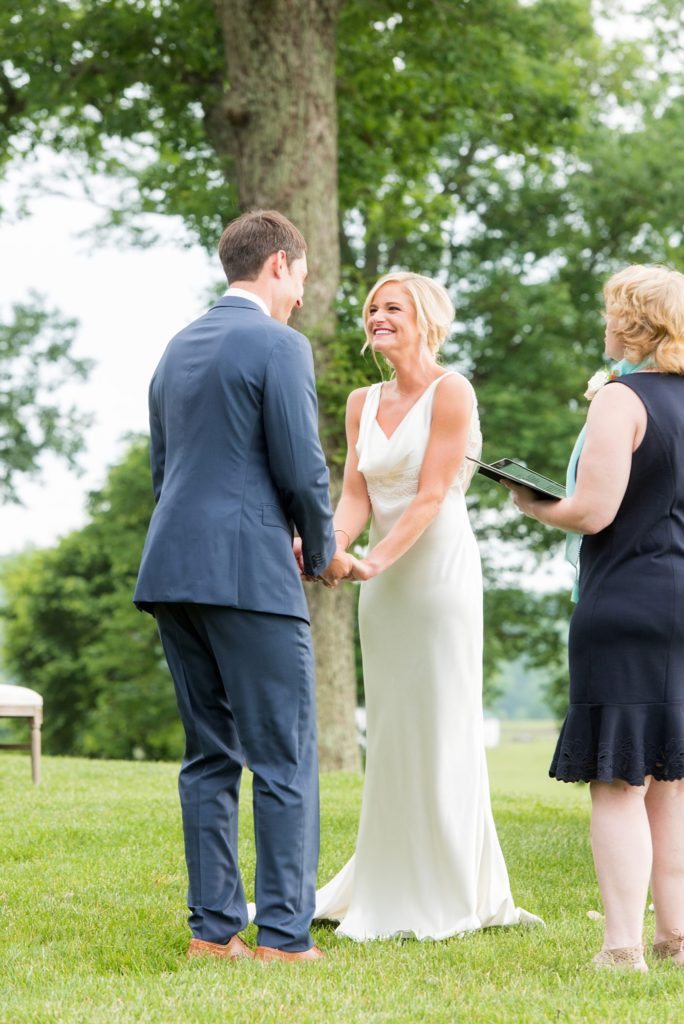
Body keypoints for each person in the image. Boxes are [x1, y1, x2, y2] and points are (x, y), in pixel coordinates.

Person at [134, 209, 352, 963]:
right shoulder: (279, 344)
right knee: (284, 757)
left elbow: (165, 470)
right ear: (279, 264)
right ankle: (286, 937)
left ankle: (213, 931)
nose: (302, 293)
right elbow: (301, 465)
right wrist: (321, 550)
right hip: (249, 574)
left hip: (172, 570)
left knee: (208, 755)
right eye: (301, 277)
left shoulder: (176, 346)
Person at [312, 271, 540, 939]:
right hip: (381, 589)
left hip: (437, 577)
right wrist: (335, 546)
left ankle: (454, 885)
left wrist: (375, 560)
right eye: (372, 309)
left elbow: (433, 493)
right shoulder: (361, 401)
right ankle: (389, 875)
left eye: (393, 308)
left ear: (425, 320)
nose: (377, 317)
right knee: (392, 727)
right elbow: (356, 495)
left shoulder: (452, 391)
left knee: (443, 719)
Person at [507, 264, 684, 972]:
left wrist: (532, 501)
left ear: (632, 323)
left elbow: (592, 511)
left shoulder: (620, 399)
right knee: (671, 780)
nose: (605, 322)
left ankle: (621, 948)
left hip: (626, 603)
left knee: (618, 783)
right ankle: (676, 937)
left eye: (611, 311)